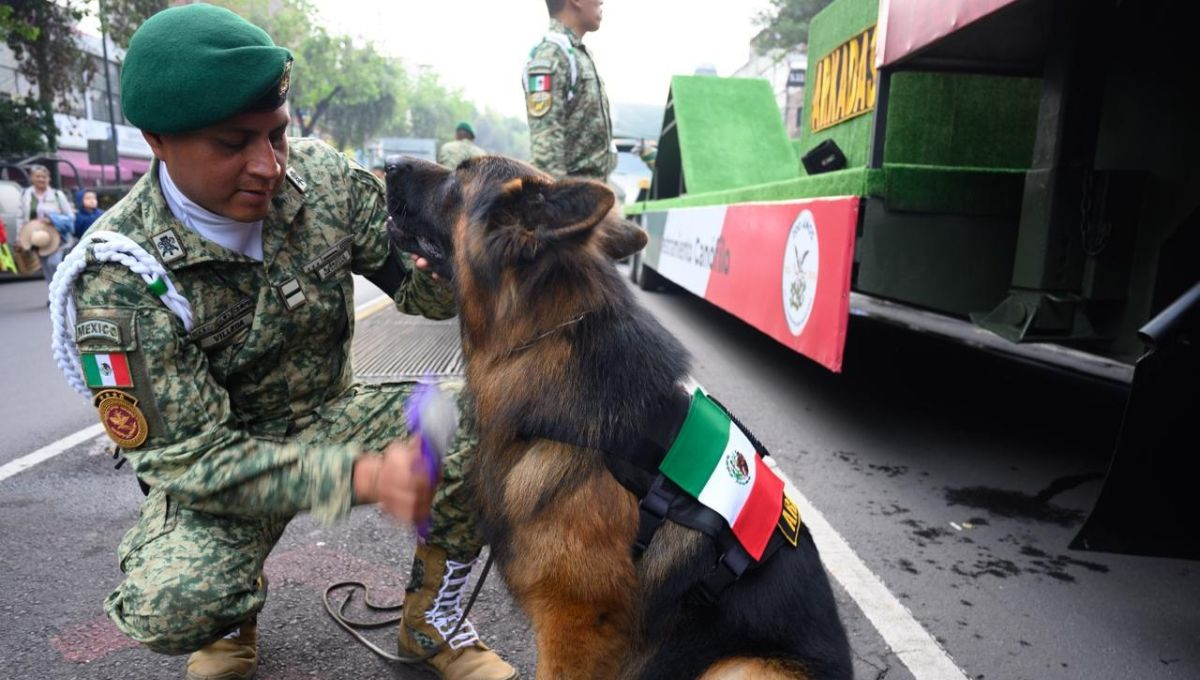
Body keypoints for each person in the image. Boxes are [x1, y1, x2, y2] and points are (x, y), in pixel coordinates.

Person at [50, 5, 516, 680]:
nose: (267, 165)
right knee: (173, 603)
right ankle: (230, 619)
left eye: (277, 135)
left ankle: (431, 625)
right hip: (225, 463)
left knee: (490, 415)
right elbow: (189, 458)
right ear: (158, 141)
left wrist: (445, 259)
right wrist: (355, 478)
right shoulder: (120, 273)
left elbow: (419, 295)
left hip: (334, 418)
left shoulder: (324, 182)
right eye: (234, 143)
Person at [524, 0, 615, 182]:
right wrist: (559, 206)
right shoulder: (552, 54)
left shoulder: (576, 53)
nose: (601, 2)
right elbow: (546, 150)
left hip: (590, 196)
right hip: (572, 200)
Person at [17, 164, 75, 289]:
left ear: (49, 179)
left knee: (53, 263)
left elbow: (70, 216)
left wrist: (53, 220)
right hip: (35, 238)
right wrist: (19, 238)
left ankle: (63, 290)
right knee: (45, 267)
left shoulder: (57, 195)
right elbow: (20, 217)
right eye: (38, 176)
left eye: (44, 177)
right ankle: (53, 293)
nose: (41, 179)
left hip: (57, 237)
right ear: (32, 178)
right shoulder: (25, 195)